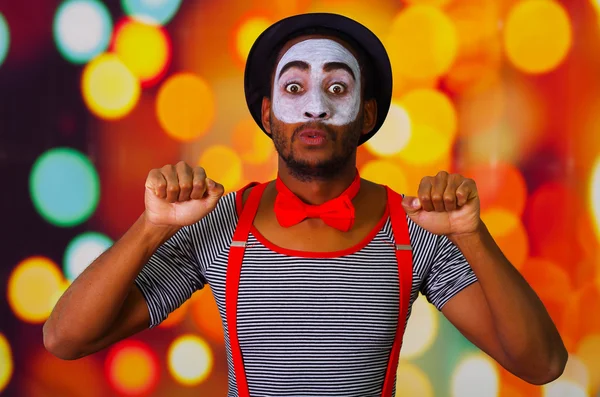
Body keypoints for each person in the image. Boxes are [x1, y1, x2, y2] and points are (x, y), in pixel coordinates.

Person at [43, 13, 567, 397]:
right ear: (268, 114)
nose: (315, 105)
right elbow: (65, 339)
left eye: (336, 87)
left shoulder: (417, 230)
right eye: (295, 86)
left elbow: (542, 364)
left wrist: (472, 234)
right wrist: (151, 228)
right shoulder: (220, 226)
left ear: (366, 116)